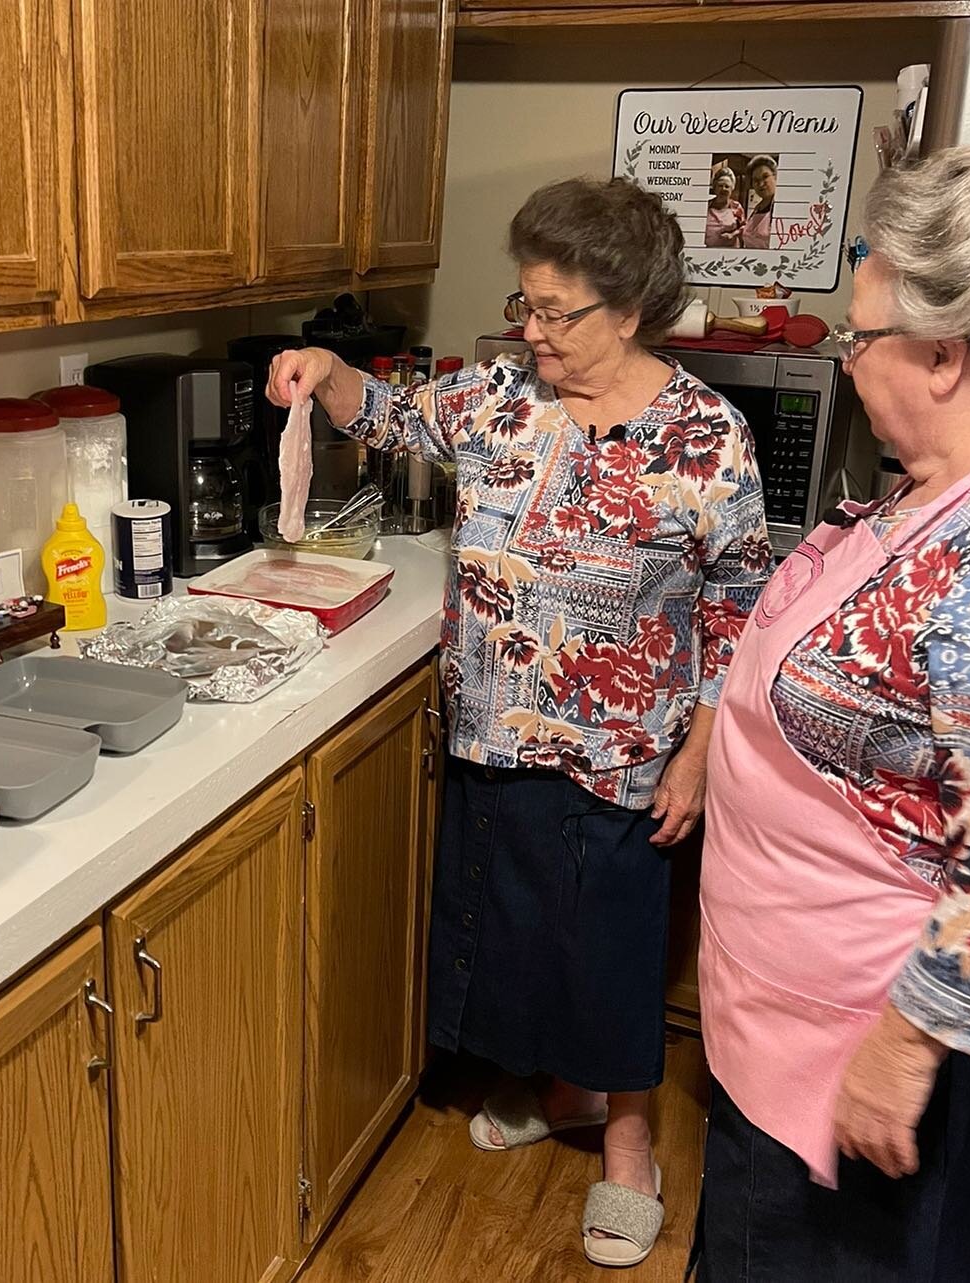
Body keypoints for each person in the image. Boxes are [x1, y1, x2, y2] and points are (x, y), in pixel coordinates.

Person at [268, 176, 772, 1268]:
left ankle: (628, 1143)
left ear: (627, 311)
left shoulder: (705, 436)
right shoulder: (499, 395)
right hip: (493, 731)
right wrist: (325, 369)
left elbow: (738, 606)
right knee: (512, 930)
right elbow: (393, 415)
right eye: (524, 304)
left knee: (609, 951)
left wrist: (697, 754)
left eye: (554, 312)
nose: (529, 331)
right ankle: (562, 1089)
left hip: (620, 751)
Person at [692, 146, 970, 1282]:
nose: (845, 356)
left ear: (941, 355)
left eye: (859, 335)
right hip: (783, 1018)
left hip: (862, 1060)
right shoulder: (930, 491)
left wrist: (905, 1046)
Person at [704, 168, 745, 249]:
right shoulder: (706, 205)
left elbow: (744, 227)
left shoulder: (736, 207)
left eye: (727, 186)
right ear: (715, 187)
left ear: (732, 189)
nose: (723, 189)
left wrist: (732, 235)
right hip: (708, 251)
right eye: (720, 186)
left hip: (730, 251)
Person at [741, 155, 776, 250]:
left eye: (765, 177)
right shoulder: (757, 208)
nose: (760, 184)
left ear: (775, 177)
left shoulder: (781, 207)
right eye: (756, 180)